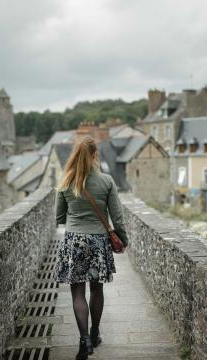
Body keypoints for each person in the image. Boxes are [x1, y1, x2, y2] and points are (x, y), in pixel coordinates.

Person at [54, 136, 129, 360]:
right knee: (97, 290)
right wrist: (122, 240)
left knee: (78, 293)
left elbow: (59, 217)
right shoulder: (106, 181)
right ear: (96, 155)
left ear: (75, 155)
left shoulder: (67, 180)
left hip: (74, 240)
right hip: (98, 242)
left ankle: (84, 340)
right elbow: (117, 216)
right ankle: (95, 334)